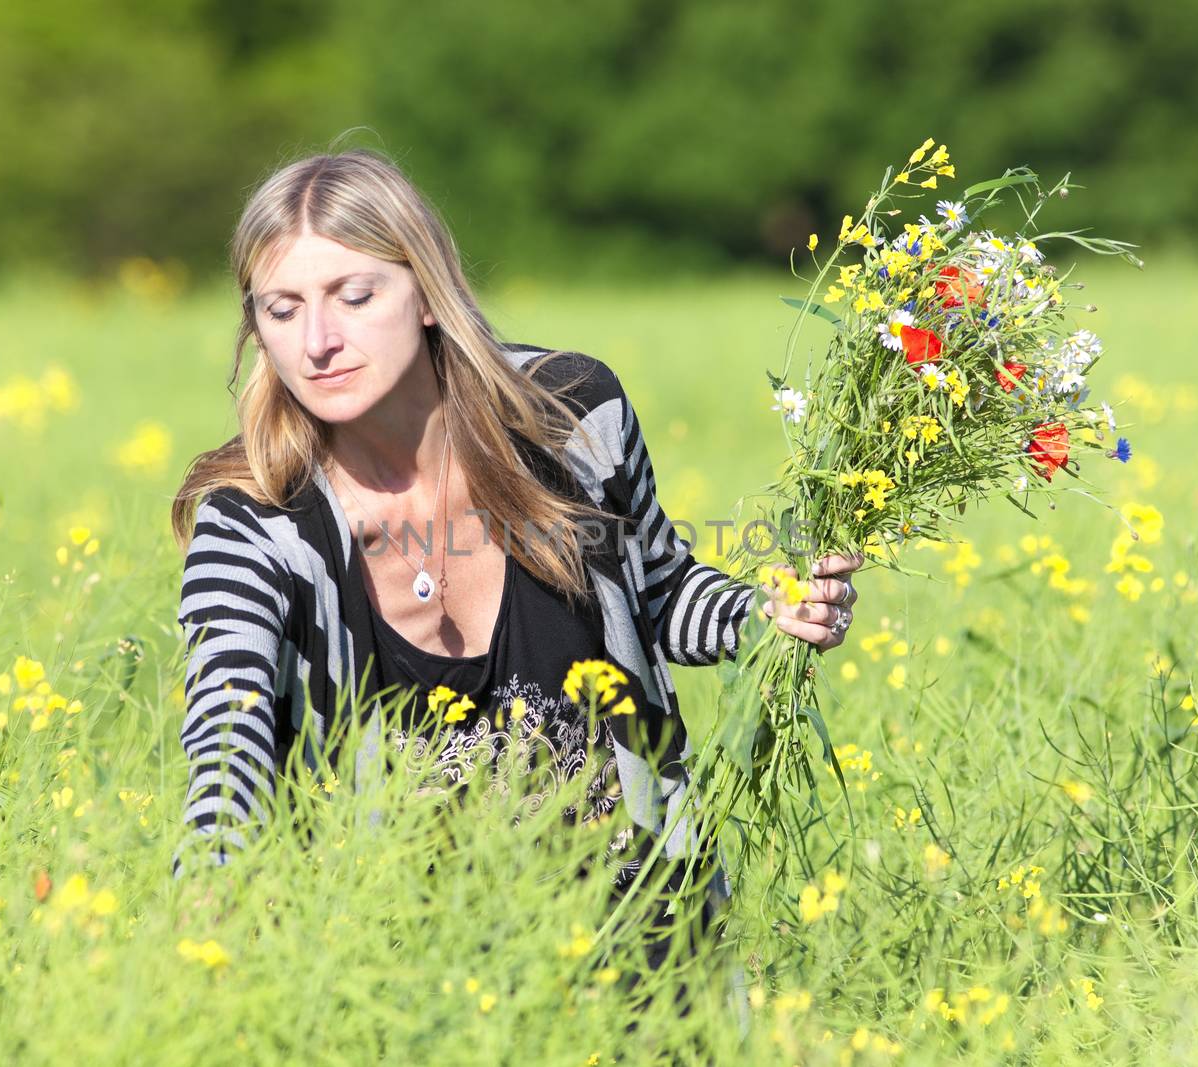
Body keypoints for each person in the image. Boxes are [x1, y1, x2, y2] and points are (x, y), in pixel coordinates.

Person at [168, 145, 862, 988]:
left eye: (354, 295)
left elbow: (662, 592)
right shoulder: (252, 521)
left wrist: (766, 614)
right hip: (401, 985)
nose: (318, 341)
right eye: (282, 309)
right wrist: (208, 905)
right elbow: (225, 736)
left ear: (425, 290)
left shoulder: (571, 413)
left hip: (640, 937)